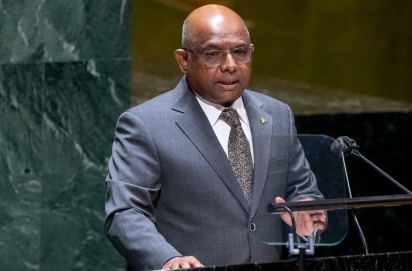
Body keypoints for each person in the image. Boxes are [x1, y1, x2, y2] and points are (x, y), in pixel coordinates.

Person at [104, 4, 326, 270]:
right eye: (213, 54)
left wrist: (308, 214)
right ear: (184, 60)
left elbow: (302, 190)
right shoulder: (145, 124)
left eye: (240, 52)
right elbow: (125, 213)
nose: (230, 65)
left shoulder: (278, 114)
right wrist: (168, 260)